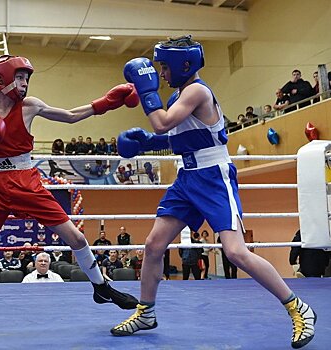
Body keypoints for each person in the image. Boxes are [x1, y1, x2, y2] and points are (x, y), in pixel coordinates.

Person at [111, 35, 316, 349]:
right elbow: (175, 139)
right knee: (153, 245)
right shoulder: (179, 97)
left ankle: (297, 307)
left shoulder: (196, 91)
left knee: (235, 252)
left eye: (164, 67)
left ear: (184, 65)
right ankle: (146, 312)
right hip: (187, 177)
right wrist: (146, 143)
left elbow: (162, 125)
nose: (161, 74)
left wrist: (145, 89)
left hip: (214, 175)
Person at [0, 55, 139, 340]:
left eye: (27, 77)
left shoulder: (30, 106)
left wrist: (105, 102)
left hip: (26, 180)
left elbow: (70, 116)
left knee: (76, 239)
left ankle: (101, 287)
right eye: (19, 77)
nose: (25, 83)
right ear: (1, 78)